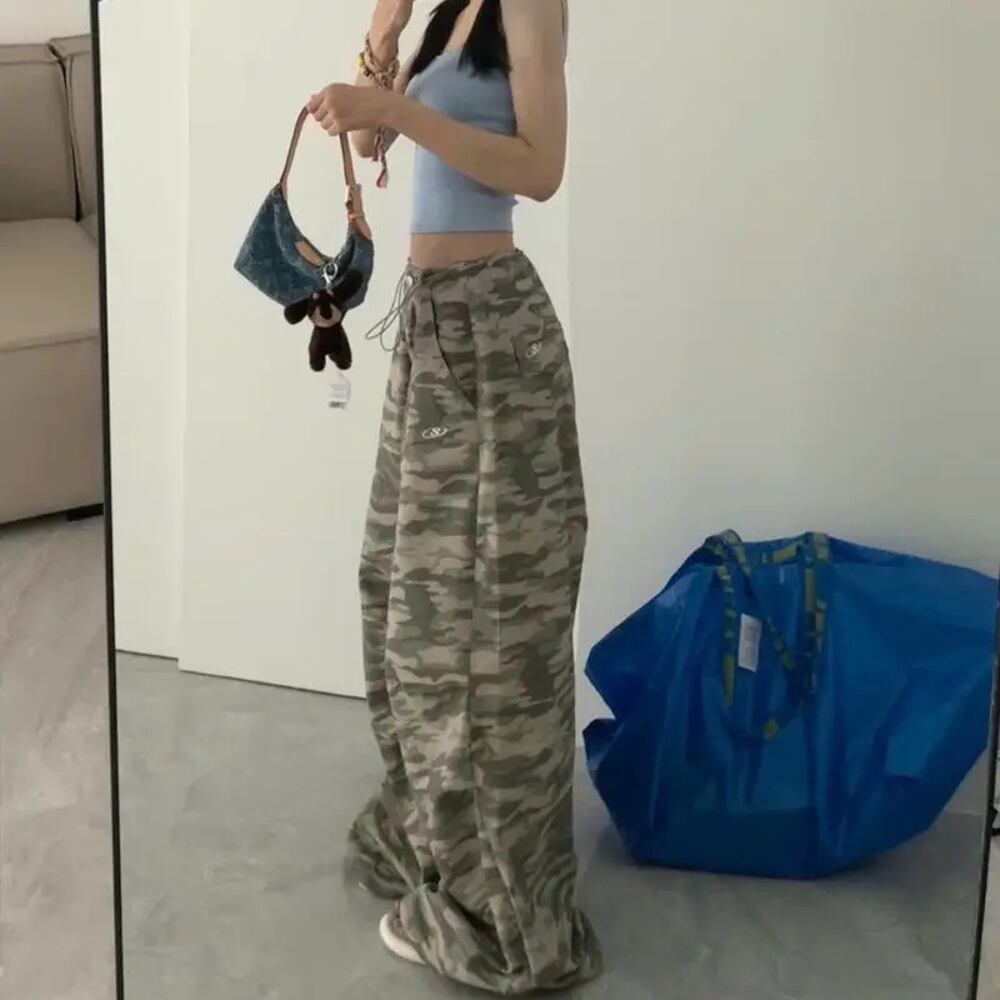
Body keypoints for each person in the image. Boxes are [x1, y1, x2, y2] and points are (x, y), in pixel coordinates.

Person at [307, 0, 601, 993]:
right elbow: (391, 145)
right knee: (400, 593)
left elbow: (540, 168)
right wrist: (384, 41)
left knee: (482, 626)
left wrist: (402, 111)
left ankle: (499, 909)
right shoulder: (450, 10)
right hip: (432, 327)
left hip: (494, 336)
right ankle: (435, 836)